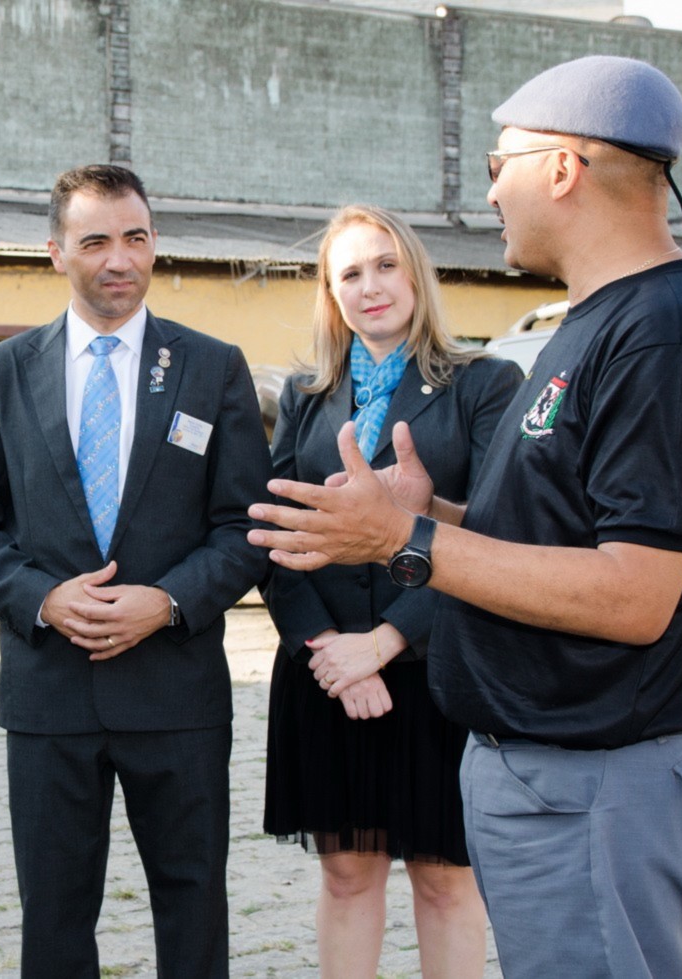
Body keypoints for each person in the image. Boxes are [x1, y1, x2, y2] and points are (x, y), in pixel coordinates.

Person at [248, 56, 682, 978]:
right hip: (552, 777)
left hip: (600, 787)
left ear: (562, 169)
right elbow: (557, 528)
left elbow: (634, 593)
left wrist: (406, 539)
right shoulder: (594, 322)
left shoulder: (665, 336)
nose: (488, 191)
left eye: (499, 164)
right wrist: (434, 509)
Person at [0, 164, 272, 979]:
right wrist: (43, 597)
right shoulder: (4, 371)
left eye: (135, 238)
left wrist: (168, 601)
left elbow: (246, 525)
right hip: (50, 691)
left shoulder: (213, 367)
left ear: (154, 244)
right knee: (54, 915)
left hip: (177, 692)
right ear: (56, 251)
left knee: (194, 905)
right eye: (94, 241)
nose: (118, 259)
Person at [263, 205, 519, 978]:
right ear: (330, 293)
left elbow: (499, 537)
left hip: (441, 668)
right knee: (346, 876)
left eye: (384, 265)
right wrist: (330, 652)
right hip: (327, 671)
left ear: (415, 272)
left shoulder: (484, 383)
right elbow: (272, 533)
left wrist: (386, 639)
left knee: (444, 880)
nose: (370, 286)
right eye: (350, 273)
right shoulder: (305, 395)